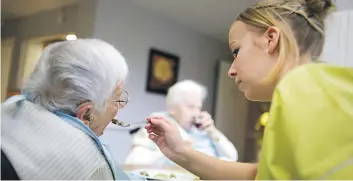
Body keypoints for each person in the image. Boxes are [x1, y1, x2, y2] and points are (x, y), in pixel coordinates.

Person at [144, 0, 353, 180]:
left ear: (271, 39)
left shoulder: (301, 86)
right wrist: (180, 152)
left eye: (237, 51)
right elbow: (263, 176)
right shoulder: (309, 91)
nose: (231, 71)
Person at [1, 39, 138, 180]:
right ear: (86, 114)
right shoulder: (89, 160)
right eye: (117, 97)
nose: (119, 107)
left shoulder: (11, 108)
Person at [125, 80, 237, 166]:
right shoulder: (158, 124)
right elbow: (132, 162)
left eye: (199, 107)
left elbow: (232, 157)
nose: (196, 113)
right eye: (190, 107)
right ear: (172, 108)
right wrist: (174, 150)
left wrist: (213, 131)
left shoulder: (203, 128)